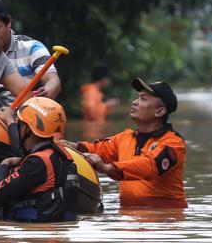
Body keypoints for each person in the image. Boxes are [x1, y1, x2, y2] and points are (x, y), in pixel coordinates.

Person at [63, 78, 187, 209]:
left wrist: (108, 168)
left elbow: (150, 165)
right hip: (129, 219)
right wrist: (74, 146)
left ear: (159, 111)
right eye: (137, 97)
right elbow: (98, 149)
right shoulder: (125, 137)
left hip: (165, 221)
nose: (134, 102)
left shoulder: (174, 143)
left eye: (143, 99)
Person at [0, 97, 78, 222]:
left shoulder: (37, 163)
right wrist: (10, 122)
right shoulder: (59, 155)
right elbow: (22, 152)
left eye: (19, 123)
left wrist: (5, 163)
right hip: (54, 232)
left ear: (25, 128)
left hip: (37, 232)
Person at [0, 0, 62, 108]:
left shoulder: (32, 47)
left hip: (26, 118)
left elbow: (53, 80)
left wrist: (47, 91)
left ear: (8, 22)